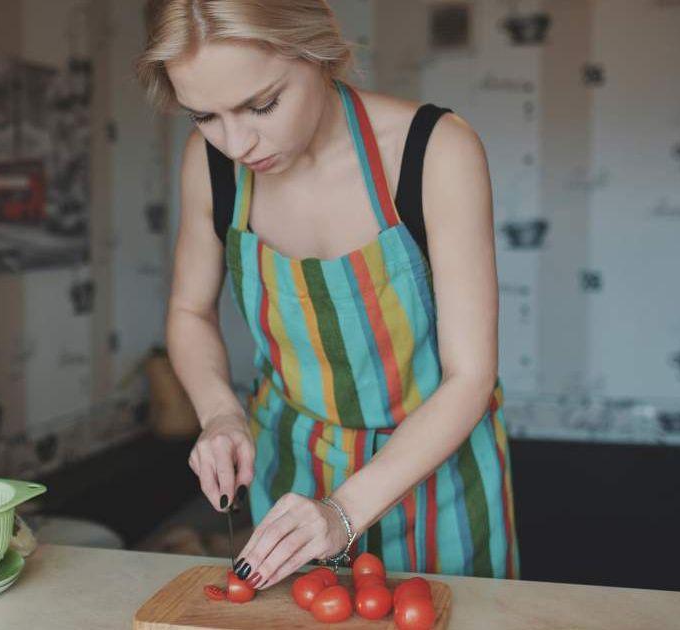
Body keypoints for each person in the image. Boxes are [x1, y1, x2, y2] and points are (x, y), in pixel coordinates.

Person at [135, 0, 518, 590]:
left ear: (320, 53)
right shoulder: (209, 165)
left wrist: (342, 512)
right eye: (203, 117)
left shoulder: (435, 151)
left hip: (436, 474)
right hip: (288, 471)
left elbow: (470, 374)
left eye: (260, 104)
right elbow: (189, 311)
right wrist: (219, 414)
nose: (235, 144)